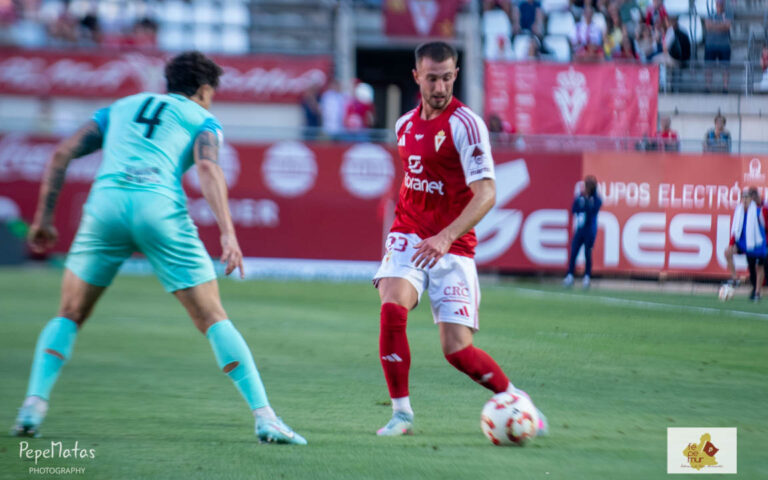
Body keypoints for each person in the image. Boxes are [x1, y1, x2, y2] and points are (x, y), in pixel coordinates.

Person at [12, 51, 306, 445]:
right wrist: (228, 234)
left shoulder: (120, 107)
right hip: (158, 207)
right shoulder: (203, 119)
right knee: (212, 317)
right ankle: (265, 417)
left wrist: (43, 219)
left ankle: (32, 406)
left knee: (69, 313)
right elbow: (207, 167)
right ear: (205, 90)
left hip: (106, 207)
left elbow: (62, 153)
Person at [372, 41, 548, 437]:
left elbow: (487, 193)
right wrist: (414, 230)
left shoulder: (466, 125)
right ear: (417, 77)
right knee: (392, 308)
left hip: (452, 246)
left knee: (457, 351)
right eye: (431, 78)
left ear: (456, 75)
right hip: (408, 236)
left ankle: (515, 399)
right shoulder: (404, 126)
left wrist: (446, 235)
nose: (439, 87)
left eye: (447, 78)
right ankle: (401, 414)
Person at [725, 188, 767, 301]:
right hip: (743, 243)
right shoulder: (739, 212)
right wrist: (731, 244)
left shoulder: (759, 211)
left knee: (759, 267)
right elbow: (735, 229)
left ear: (751, 199)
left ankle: (757, 292)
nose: (744, 200)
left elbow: (765, 226)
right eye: (742, 197)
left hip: (757, 244)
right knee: (727, 252)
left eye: (746, 197)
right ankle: (735, 279)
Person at [563, 175, 602, 289]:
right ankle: (570, 275)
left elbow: (593, 210)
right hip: (580, 229)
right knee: (574, 252)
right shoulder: (580, 197)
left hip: (590, 231)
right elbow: (574, 209)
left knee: (587, 254)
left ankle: (587, 277)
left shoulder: (596, 199)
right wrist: (582, 205)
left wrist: (586, 203)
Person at [704, 0, 732, 93]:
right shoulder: (710, 14)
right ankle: (708, 87)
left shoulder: (728, 14)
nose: (719, 5)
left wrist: (714, 26)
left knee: (725, 68)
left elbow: (727, 26)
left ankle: (725, 88)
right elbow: (707, 26)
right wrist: (721, 26)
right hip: (710, 44)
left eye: (721, 3)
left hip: (724, 45)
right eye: (718, 3)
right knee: (708, 67)